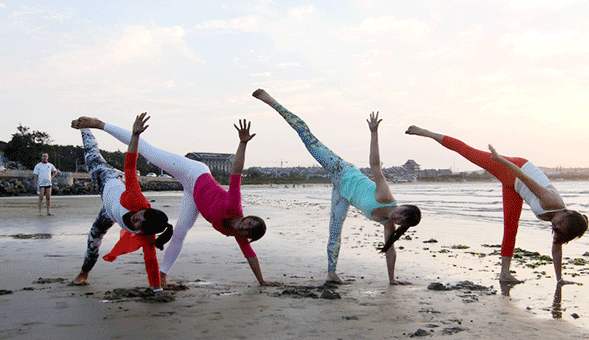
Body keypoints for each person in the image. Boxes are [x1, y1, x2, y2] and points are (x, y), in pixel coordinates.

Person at [70, 115, 277, 287]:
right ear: (247, 217)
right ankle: (99, 124)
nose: (244, 227)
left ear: (247, 236)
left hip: (193, 196)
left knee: (180, 233)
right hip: (194, 174)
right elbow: (236, 172)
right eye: (248, 222)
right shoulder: (234, 206)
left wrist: (262, 281)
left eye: (248, 230)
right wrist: (242, 143)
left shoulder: (237, 234)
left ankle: (163, 275)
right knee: (148, 151)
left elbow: (250, 256)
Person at [253, 89, 421, 285]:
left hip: (342, 194)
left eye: (401, 221)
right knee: (308, 137)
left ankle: (331, 273)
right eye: (401, 212)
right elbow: (376, 166)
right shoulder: (385, 196)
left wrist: (392, 279)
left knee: (334, 233)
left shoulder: (388, 224)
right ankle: (272, 102)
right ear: (402, 206)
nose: (396, 217)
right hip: (341, 171)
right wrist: (374, 133)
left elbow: (390, 249)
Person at [405, 126, 587, 285]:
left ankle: (504, 273)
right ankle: (425, 132)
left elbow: (556, 249)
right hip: (513, 167)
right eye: (559, 223)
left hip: (514, 188)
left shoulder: (562, 227)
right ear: (568, 212)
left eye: (558, 229)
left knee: (510, 229)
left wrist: (559, 278)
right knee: (467, 151)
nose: (555, 226)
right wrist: (500, 160)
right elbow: (524, 177)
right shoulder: (552, 202)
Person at [72, 113, 173, 292]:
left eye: (138, 223)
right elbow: (130, 166)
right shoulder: (136, 199)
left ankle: (83, 273)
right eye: (140, 215)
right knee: (91, 155)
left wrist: (157, 290)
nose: (135, 218)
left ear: (144, 230)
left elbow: (150, 260)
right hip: (108, 178)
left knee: (93, 240)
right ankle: (85, 127)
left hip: (108, 211)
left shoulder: (146, 235)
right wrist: (135, 135)